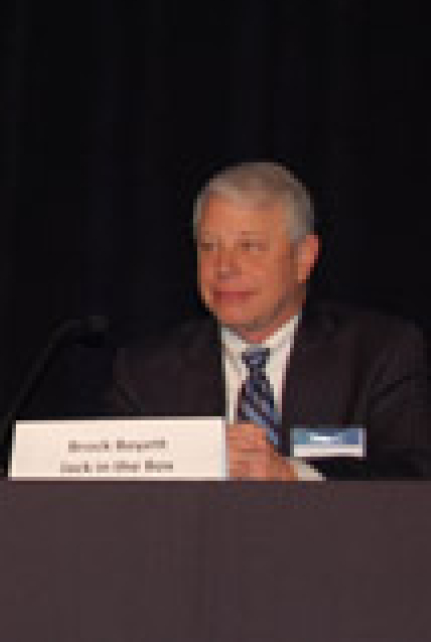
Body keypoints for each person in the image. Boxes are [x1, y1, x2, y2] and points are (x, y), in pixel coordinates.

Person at [108, 161, 431, 479]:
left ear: (303, 258)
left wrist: (293, 475)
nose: (224, 267)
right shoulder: (146, 372)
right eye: (209, 246)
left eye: (249, 247)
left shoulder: (378, 354)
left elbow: (415, 473)